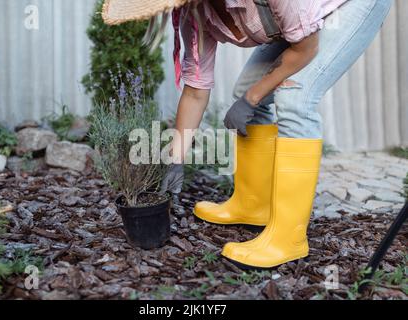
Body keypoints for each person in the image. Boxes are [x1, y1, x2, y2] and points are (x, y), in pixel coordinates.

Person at [103, 0, 394, 269]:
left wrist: (251, 100)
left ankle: (288, 238)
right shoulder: (195, 14)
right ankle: (254, 205)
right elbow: (195, 92)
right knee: (247, 90)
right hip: (300, 19)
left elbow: (305, 48)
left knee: (296, 98)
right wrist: (176, 157)